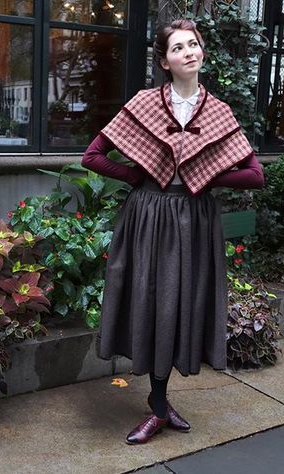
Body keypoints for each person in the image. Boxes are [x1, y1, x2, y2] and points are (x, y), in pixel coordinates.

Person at [81, 18, 264, 445]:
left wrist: (207, 176)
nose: (190, 52)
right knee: (152, 300)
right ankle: (159, 407)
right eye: (179, 47)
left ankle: (159, 406)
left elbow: (254, 175)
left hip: (195, 219)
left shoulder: (218, 112)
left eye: (194, 44)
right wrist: (138, 178)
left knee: (181, 303)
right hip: (149, 216)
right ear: (165, 61)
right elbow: (93, 156)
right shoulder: (145, 103)